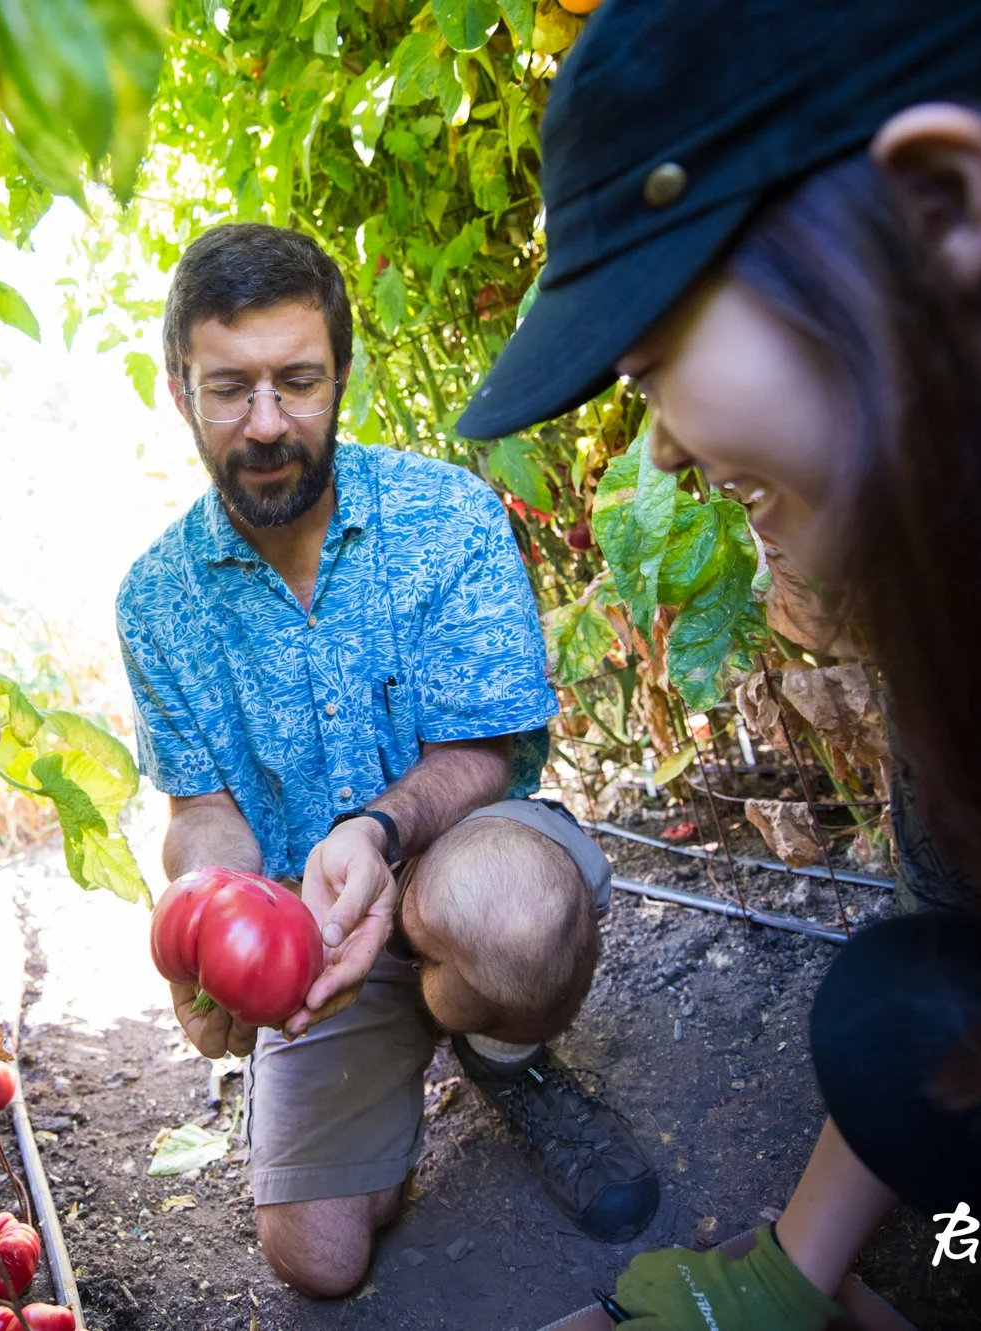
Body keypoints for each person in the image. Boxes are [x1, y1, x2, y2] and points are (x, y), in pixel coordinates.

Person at [456, 0, 981, 1324]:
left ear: (942, 205)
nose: (656, 448)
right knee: (899, 1018)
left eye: (652, 363)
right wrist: (781, 1279)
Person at [115, 223, 659, 1298]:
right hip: (311, 934)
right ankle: (393, 1068)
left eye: (297, 382)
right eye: (228, 388)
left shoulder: (443, 514)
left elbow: (489, 748)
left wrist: (372, 831)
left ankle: (499, 1051)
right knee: (316, 1257)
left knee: (509, 925)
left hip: (456, 859)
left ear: (340, 378)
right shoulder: (154, 599)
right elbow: (201, 810)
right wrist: (212, 909)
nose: (265, 423)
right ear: (180, 392)